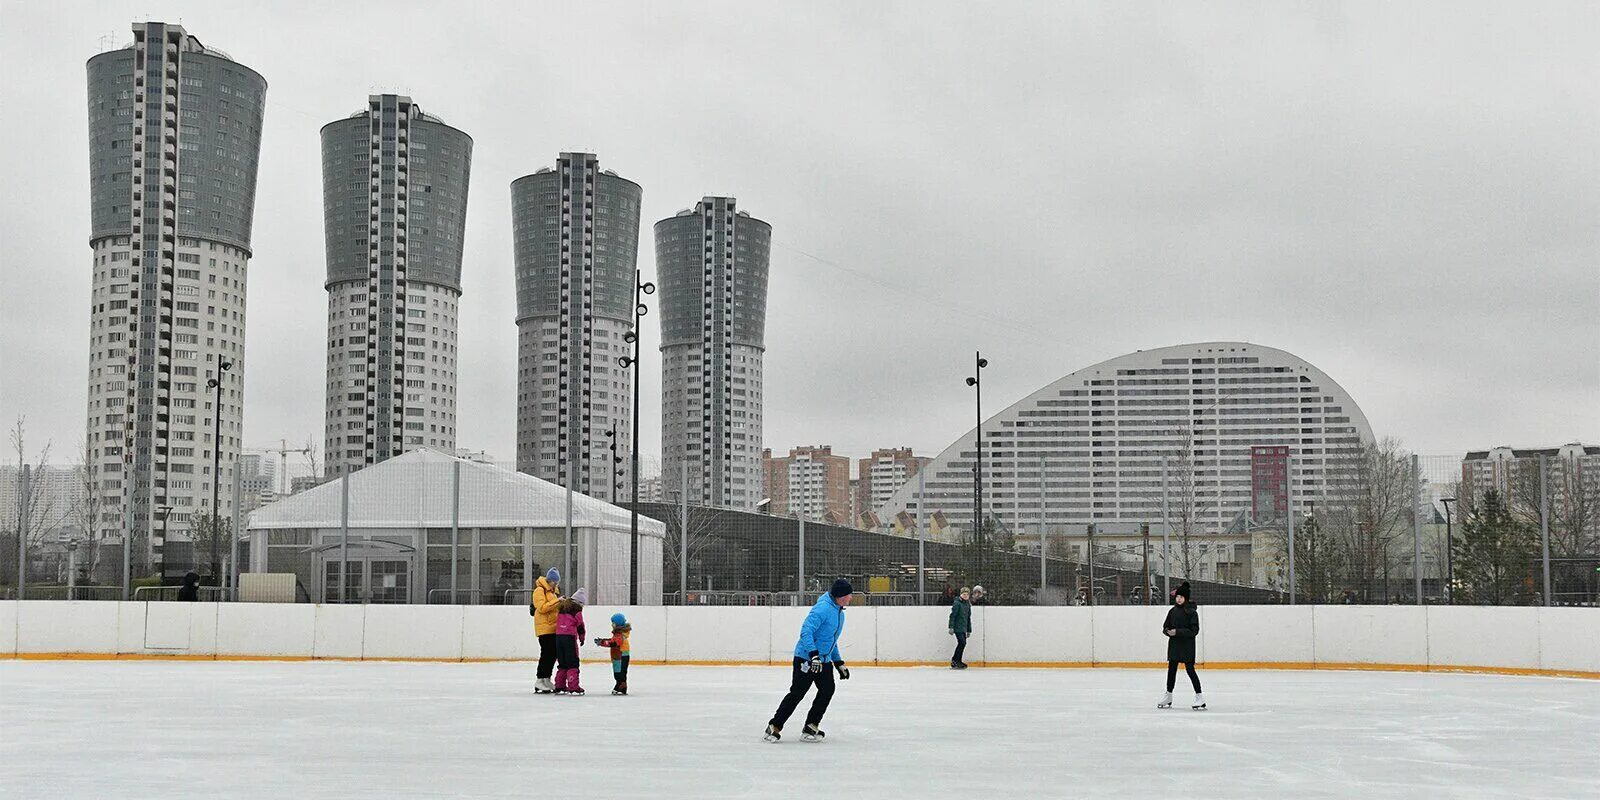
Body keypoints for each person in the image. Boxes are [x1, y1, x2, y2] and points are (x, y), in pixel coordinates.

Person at [764, 578, 853, 742]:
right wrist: (813, 655)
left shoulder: (839, 612)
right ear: (840, 596)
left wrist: (838, 662)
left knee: (827, 690)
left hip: (823, 661)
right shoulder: (823, 609)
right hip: (806, 658)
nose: (850, 598)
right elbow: (806, 631)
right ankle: (773, 727)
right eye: (848, 595)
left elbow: (830, 639)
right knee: (797, 693)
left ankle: (811, 726)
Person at [1158, 582, 1205, 710]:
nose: (1178, 599)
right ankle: (1168, 695)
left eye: (1181, 597)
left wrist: (1177, 632)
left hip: (1187, 646)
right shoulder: (1172, 611)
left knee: (1190, 670)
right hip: (1174, 645)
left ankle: (1199, 696)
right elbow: (1165, 626)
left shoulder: (1192, 613)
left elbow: (1194, 631)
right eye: (1177, 596)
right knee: (1171, 670)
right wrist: (1167, 631)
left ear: (1186, 598)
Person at [529, 567, 562, 694]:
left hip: (553, 628)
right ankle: (539, 679)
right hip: (544, 628)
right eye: (554, 581)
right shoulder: (539, 590)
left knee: (552, 654)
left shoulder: (552, 592)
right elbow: (542, 608)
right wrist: (557, 601)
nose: (556, 584)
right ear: (550, 580)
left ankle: (547, 678)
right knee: (546, 654)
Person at [553, 588, 588, 695]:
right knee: (573, 662)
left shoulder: (562, 608)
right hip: (569, 638)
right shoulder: (577, 611)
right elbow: (580, 626)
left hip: (558, 638)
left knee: (562, 663)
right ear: (579, 603)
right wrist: (582, 638)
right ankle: (573, 686)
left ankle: (559, 685)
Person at [594, 612, 632, 695]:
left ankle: (621, 686)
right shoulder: (618, 633)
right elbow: (613, 641)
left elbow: (613, 643)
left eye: (613, 623)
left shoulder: (620, 634)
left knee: (619, 673)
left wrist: (602, 642)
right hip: (618, 656)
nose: (612, 625)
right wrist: (603, 640)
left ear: (617, 624)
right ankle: (621, 686)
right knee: (618, 672)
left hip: (621, 656)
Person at [948, 586, 973, 669]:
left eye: (967, 594)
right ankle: (955, 660)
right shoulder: (957, 603)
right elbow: (953, 616)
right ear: (961, 595)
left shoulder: (967, 605)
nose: (965, 596)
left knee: (962, 643)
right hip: (957, 627)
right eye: (964, 594)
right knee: (962, 643)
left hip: (963, 628)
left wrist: (969, 630)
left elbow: (968, 618)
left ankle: (957, 660)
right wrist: (951, 627)